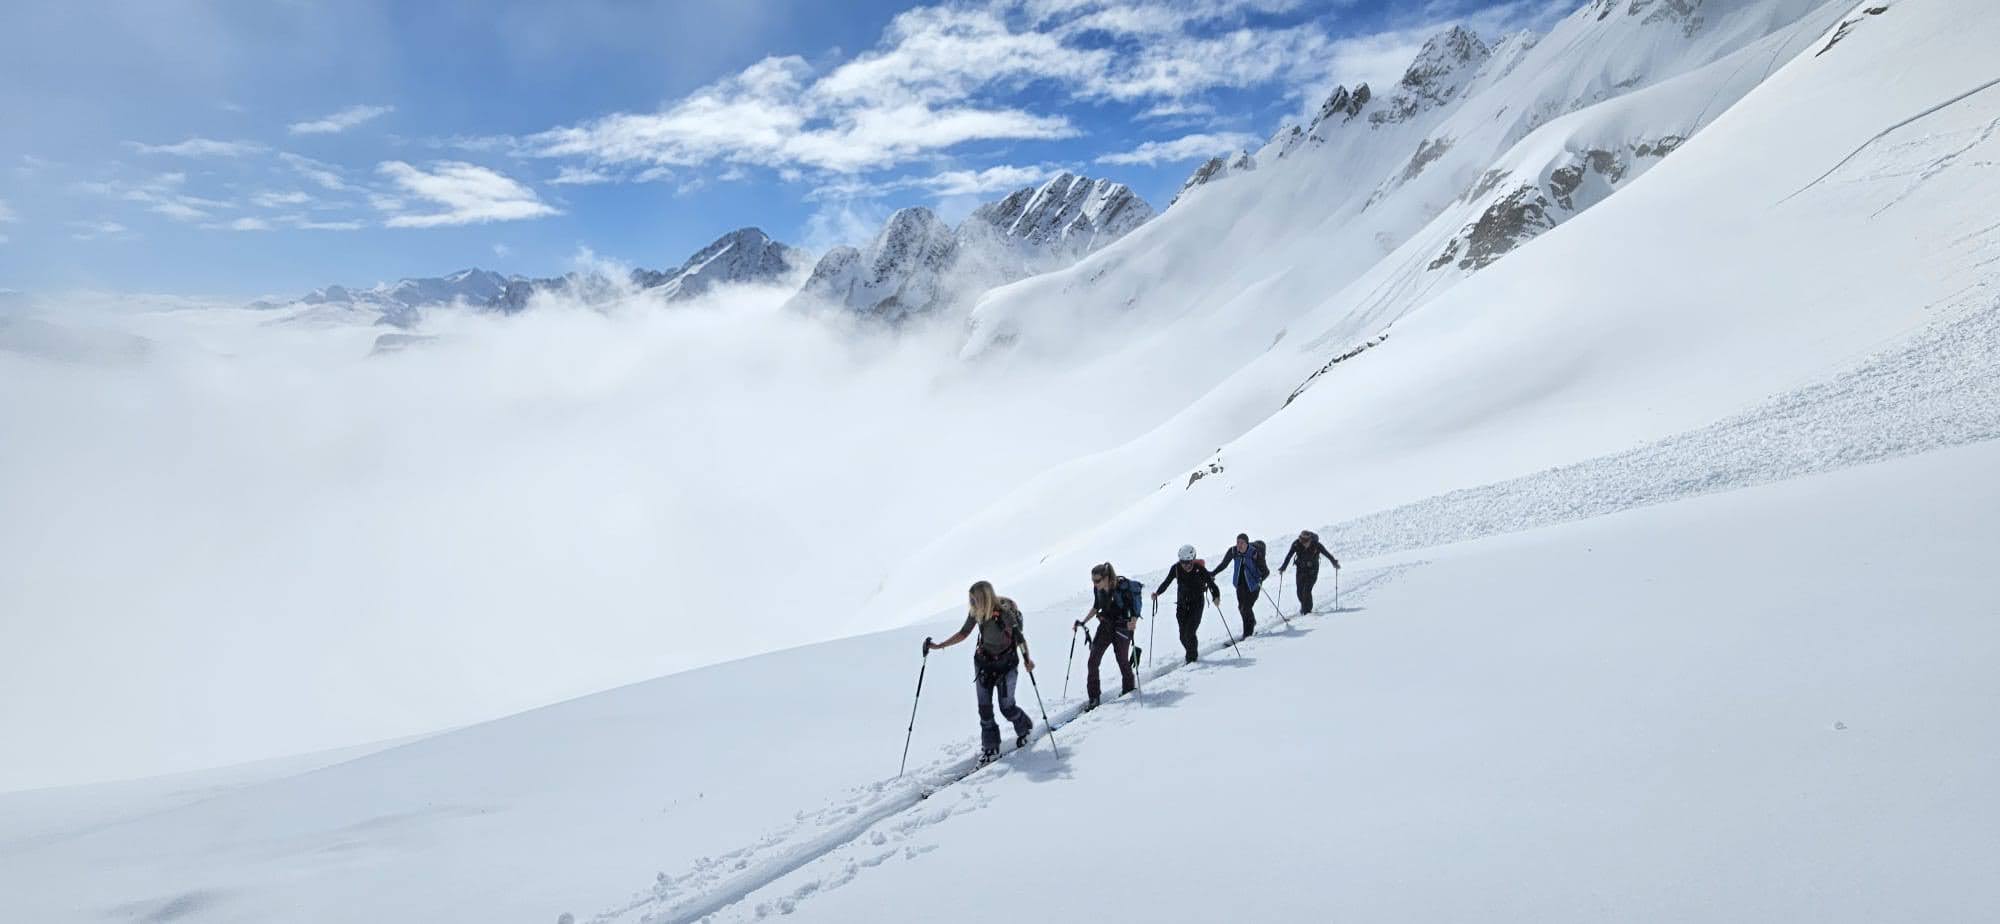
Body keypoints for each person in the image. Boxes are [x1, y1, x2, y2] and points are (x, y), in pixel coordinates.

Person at [925, 580, 1038, 764]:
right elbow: (963, 633)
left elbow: (1020, 639)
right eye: (970, 600)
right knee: (984, 709)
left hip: (1007, 665)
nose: (971, 603)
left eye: (974, 599)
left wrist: (1027, 660)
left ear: (983, 598)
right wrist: (939, 646)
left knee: (1007, 707)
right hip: (984, 663)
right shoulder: (975, 613)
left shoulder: (1005, 615)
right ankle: (990, 747)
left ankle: (1025, 727)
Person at [1074, 562, 1141, 709]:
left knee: (1122, 659)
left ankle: (1128, 687)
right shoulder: (1098, 590)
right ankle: (1094, 697)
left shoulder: (1122, 588)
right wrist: (1083, 622)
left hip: (1123, 627)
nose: (1094, 583)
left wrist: (1133, 621)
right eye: (1092, 580)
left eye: (1097, 580)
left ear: (1106, 578)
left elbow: (1135, 609)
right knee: (1093, 661)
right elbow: (1096, 606)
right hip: (1105, 626)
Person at [1152, 544, 1221, 663]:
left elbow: (1212, 584)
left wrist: (1216, 597)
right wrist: (1157, 593)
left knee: (1190, 632)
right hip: (1182, 605)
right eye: (1183, 562)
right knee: (1182, 636)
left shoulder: (1200, 569)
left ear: (1193, 559)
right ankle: (1191, 653)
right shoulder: (1176, 569)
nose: (1186, 565)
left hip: (1197, 605)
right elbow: (1166, 582)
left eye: (1188, 562)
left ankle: (1192, 659)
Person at [1210, 533, 1268, 638]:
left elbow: (1266, 572)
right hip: (1240, 584)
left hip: (1253, 585)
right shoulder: (1233, 551)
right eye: (1237, 542)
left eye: (1242, 543)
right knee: (1241, 608)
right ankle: (1251, 623)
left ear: (1247, 544)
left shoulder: (1254, 553)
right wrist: (1213, 573)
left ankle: (1247, 634)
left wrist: (1260, 580)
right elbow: (1224, 564)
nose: (1239, 545)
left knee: (1246, 608)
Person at [1279, 529, 1341, 614]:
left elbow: (1327, 554)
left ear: (1310, 540)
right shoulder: (1296, 544)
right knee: (1299, 591)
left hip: (1313, 570)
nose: (1303, 543)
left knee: (1306, 590)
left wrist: (1334, 562)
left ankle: (1307, 611)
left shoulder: (1316, 545)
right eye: (1301, 540)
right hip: (1300, 569)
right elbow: (1289, 555)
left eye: (1305, 541)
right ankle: (1305, 606)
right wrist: (1283, 567)